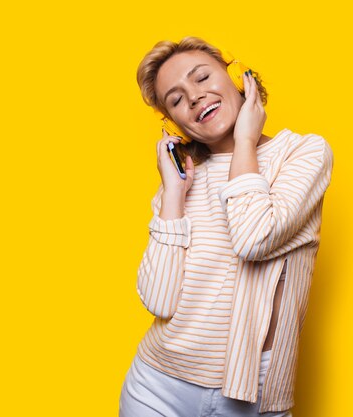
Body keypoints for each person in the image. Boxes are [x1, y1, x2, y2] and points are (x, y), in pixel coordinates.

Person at [119, 36, 334, 417]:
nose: (195, 97)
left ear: (238, 76)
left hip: (250, 394)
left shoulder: (303, 154)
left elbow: (252, 239)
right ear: (173, 122)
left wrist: (245, 141)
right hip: (156, 386)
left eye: (202, 78)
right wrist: (172, 194)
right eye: (176, 99)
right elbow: (158, 300)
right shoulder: (182, 180)